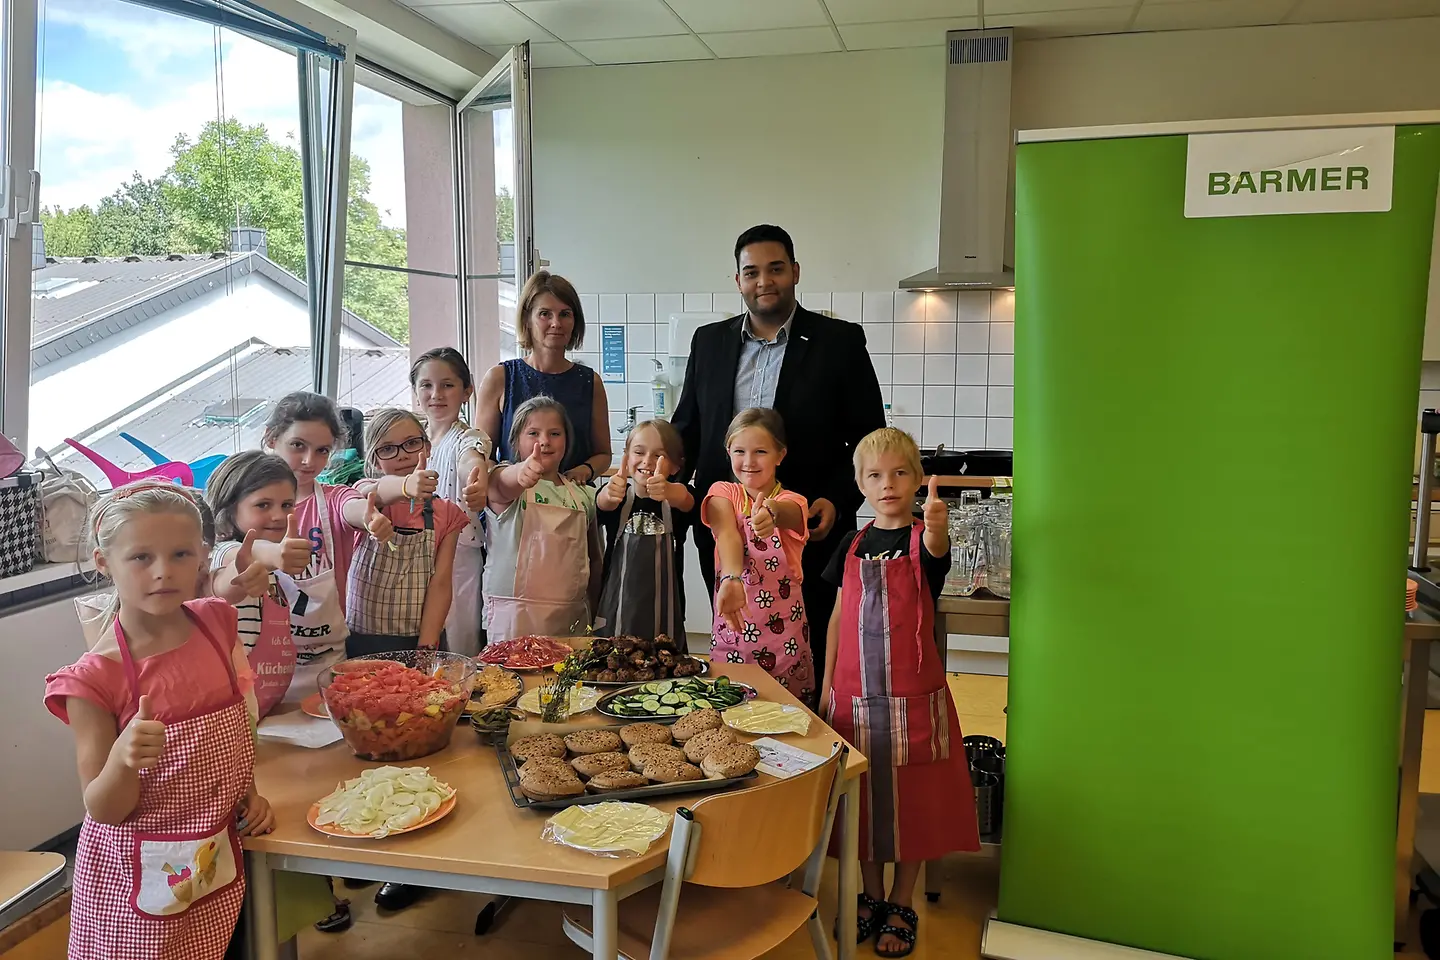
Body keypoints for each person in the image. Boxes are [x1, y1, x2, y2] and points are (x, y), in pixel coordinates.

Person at [44, 481, 275, 960]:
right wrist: (124, 760)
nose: (164, 572)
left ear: (202, 556)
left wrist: (248, 794)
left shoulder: (216, 623)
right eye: (141, 557)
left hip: (214, 861)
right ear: (103, 562)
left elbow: (226, 740)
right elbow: (104, 809)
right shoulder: (94, 680)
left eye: (180, 554)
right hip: (133, 890)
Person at [673, 224, 885, 684]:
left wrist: (839, 497)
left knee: (806, 655)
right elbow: (687, 427)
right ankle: (738, 743)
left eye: (775, 269)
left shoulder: (839, 341)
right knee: (735, 648)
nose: (763, 281)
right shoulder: (708, 341)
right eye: (751, 272)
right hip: (726, 531)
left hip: (806, 529)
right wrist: (668, 483)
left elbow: (870, 438)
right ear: (737, 281)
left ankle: (812, 745)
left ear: (795, 272)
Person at [819, 428, 980, 957]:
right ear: (860, 485)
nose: (887, 485)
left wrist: (937, 528)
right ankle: (868, 896)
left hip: (915, 698)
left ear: (917, 480)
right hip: (853, 693)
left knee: (914, 801)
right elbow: (841, 614)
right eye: (875, 475)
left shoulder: (923, 539)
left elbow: (936, 552)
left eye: (900, 473)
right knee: (860, 799)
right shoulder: (853, 542)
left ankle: (902, 900)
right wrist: (825, 684)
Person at [262, 393, 392, 699]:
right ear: (271, 439)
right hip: (263, 661)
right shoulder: (251, 506)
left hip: (326, 661)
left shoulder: (334, 499)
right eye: (298, 446)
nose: (310, 461)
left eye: (321, 451)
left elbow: (355, 508)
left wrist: (370, 518)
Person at [702, 408, 813, 701]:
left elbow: (789, 512)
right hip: (733, 629)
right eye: (739, 451)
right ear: (728, 452)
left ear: (780, 454)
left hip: (785, 640)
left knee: (787, 711)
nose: (749, 462)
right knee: (729, 707)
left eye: (761, 451)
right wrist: (733, 578)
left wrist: (772, 514)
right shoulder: (721, 493)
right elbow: (727, 534)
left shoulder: (793, 501)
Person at [347, 409, 467, 656]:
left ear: (428, 447)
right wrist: (405, 486)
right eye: (388, 449)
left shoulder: (448, 514)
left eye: (412, 443)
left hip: (421, 639)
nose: (402, 456)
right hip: (361, 640)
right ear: (373, 460)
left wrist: (426, 647)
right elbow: (377, 490)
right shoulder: (365, 496)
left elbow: (441, 583)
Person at [476, 271, 612, 484]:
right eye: (545, 314)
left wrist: (585, 470)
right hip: (514, 505)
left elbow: (603, 455)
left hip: (572, 505)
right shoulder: (500, 378)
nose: (556, 323)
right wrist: (510, 480)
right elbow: (482, 456)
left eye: (565, 314)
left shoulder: (590, 382)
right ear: (527, 320)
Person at [484, 395, 601, 642]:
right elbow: (499, 486)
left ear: (567, 440)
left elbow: (594, 557)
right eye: (533, 433)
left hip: (571, 617)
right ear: (516, 440)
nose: (544, 442)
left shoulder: (582, 494)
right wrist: (520, 473)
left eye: (555, 433)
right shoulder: (507, 482)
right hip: (514, 618)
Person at [205, 452, 304, 719]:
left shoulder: (274, 572)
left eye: (287, 505)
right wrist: (275, 555)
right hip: (228, 707)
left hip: (263, 706)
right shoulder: (227, 551)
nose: (278, 516)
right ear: (229, 510)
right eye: (263, 505)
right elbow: (248, 556)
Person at [410, 347, 491, 656]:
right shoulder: (411, 440)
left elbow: (473, 458)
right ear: (416, 392)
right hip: (413, 559)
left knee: (457, 647)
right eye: (427, 385)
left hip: (459, 561)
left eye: (447, 385)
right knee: (419, 643)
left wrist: (477, 482)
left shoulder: (468, 436)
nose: (436, 394)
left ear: (466, 391)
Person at [595, 418, 694, 645]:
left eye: (659, 456)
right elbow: (602, 504)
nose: (648, 461)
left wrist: (669, 490)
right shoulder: (618, 498)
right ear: (627, 457)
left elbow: (688, 500)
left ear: (677, 465)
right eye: (639, 452)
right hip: (615, 614)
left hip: (666, 619)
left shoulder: (676, 502)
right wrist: (608, 495)